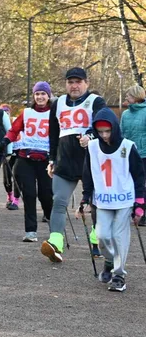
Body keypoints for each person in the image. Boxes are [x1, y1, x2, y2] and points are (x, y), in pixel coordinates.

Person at [42, 67, 106, 262]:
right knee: (59, 202)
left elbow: (104, 125)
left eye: (78, 82)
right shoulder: (58, 103)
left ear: (86, 83)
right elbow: (53, 133)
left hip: (91, 159)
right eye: (70, 82)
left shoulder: (96, 101)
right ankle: (55, 243)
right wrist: (51, 159)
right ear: (66, 84)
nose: (74, 85)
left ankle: (96, 240)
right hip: (64, 160)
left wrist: (91, 136)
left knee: (97, 203)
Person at [79, 108, 145, 292]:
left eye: (107, 131)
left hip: (124, 199)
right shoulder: (92, 147)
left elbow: (139, 175)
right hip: (102, 200)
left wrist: (140, 203)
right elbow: (88, 173)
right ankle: (109, 260)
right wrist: (85, 197)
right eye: (100, 132)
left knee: (118, 236)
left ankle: (119, 275)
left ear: (114, 129)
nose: (104, 135)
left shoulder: (128, 146)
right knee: (102, 236)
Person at [1, 82, 54, 242]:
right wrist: (4, 141)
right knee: (29, 194)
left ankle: (54, 226)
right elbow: (14, 129)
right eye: (37, 94)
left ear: (48, 96)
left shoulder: (54, 113)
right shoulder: (27, 112)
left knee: (46, 195)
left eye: (43, 94)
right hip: (26, 158)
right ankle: (31, 231)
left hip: (45, 160)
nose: (40, 97)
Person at [120, 84, 146, 226]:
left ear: (136, 97)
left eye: (128, 95)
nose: (126, 98)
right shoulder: (125, 114)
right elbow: (122, 133)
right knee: (130, 183)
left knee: (142, 184)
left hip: (144, 153)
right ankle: (133, 209)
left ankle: (143, 212)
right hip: (129, 153)